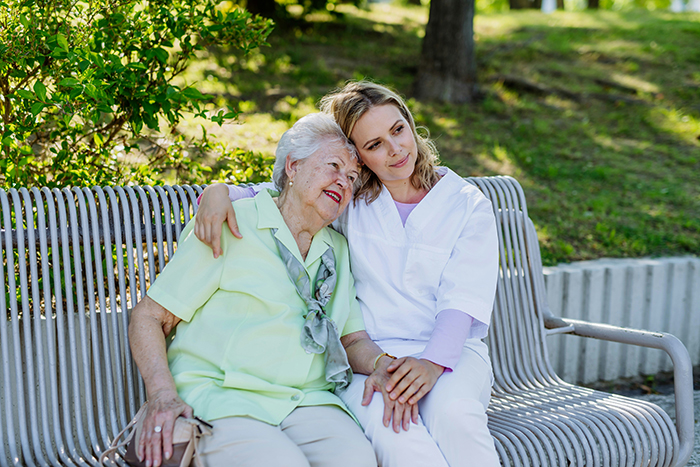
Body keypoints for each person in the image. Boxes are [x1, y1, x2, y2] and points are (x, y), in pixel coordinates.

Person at [194, 81, 500, 467]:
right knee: (400, 440)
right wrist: (219, 191)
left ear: (409, 122)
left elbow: (462, 300)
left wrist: (430, 363)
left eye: (398, 130)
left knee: (456, 418)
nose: (395, 150)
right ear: (359, 157)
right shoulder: (351, 202)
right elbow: (281, 196)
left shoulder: (466, 203)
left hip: (450, 356)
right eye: (374, 145)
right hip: (370, 359)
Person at [128, 113, 392, 467]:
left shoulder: (337, 250)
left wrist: (382, 365)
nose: (343, 182)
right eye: (333, 166)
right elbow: (150, 315)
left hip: (307, 400)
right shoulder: (232, 223)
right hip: (225, 396)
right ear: (294, 168)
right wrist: (162, 395)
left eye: (351, 177)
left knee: (357, 460)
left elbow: (352, 340)